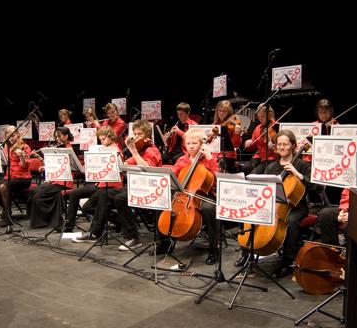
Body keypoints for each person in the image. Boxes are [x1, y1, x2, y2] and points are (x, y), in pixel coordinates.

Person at [73, 120, 162, 250]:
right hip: (136, 186)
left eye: (139, 134)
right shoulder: (140, 149)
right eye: (135, 133)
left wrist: (133, 151)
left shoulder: (152, 150)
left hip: (150, 188)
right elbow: (125, 164)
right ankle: (94, 232)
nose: (136, 137)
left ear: (147, 135)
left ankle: (133, 238)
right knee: (104, 194)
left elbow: (148, 168)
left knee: (120, 198)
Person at [235, 130, 312, 277]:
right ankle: (246, 253)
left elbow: (317, 187)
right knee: (247, 212)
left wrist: (298, 174)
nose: (282, 147)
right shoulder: (271, 166)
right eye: (279, 144)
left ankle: (287, 262)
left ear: (293, 146)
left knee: (290, 221)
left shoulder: (302, 165)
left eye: (285, 144)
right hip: (273, 205)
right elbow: (263, 189)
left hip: (296, 207)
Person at [157, 129, 220, 264]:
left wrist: (209, 158)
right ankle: (164, 242)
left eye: (194, 143)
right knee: (161, 202)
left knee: (208, 209)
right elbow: (172, 174)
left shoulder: (208, 158)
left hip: (205, 195)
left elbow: (217, 180)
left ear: (201, 144)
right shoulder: (182, 160)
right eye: (188, 143)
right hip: (183, 195)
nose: (191, 146)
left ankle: (214, 248)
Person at [62, 126, 121, 232]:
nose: (102, 142)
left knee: (87, 208)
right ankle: (68, 225)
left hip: (111, 186)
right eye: (100, 139)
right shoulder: (103, 148)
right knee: (75, 193)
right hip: (100, 184)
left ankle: (118, 220)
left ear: (110, 137)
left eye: (103, 139)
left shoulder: (116, 150)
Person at [27, 127, 75, 229]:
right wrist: (44, 165)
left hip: (63, 182)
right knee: (33, 191)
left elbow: (66, 167)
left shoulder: (68, 149)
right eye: (56, 137)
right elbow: (55, 165)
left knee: (38, 196)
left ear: (66, 136)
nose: (57, 139)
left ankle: (42, 222)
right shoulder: (58, 148)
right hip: (55, 179)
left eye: (59, 136)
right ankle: (42, 218)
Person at [0, 125, 33, 227]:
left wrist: (21, 157)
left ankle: (7, 218)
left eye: (13, 135)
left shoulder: (25, 147)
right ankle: (8, 210)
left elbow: (24, 166)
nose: (11, 137)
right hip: (8, 177)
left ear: (18, 135)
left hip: (23, 178)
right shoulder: (6, 147)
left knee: (3, 187)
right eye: (9, 135)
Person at [242, 104, 277, 172]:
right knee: (245, 168)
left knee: (255, 173)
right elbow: (252, 146)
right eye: (259, 117)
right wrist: (249, 143)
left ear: (269, 115)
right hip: (259, 156)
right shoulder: (257, 128)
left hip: (271, 157)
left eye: (263, 116)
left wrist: (274, 145)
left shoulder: (275, 126)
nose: (260, 119)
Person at [211, 100, 243, 173]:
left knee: (220, 163)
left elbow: (236, 144)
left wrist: (237, 134)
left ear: (229, 112)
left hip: (228, 155)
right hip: (215, 154)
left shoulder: (233, 123)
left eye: (224, 111)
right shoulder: (215, 124)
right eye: (220, 111)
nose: (221, 113)